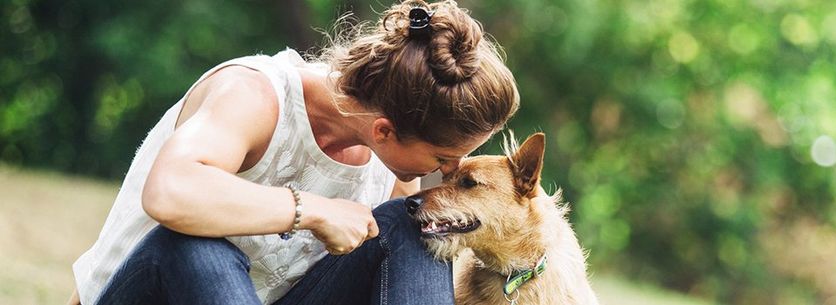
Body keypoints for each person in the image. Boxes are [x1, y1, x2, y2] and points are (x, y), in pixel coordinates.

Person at [68, 0, 520, 304]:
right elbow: (169, 192)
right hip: (145, 290)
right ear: (384, 130)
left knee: (412, 224)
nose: (446, 171)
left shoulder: (391, 168)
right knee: (195, 244)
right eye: (442, 159)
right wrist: (313, 210)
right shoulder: (255, 94)